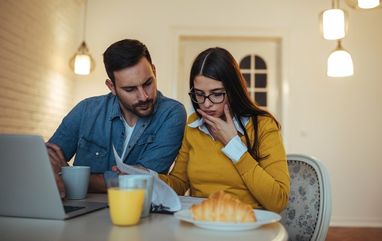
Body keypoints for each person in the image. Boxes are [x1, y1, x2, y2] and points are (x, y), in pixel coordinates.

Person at [47, 39, 186, 198]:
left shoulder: (172, 114)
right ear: (111, 87)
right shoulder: (86, 110)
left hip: (140, 212)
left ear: (154, 71)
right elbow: (46, 163)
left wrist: (71, 176)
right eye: (130, 89)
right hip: (81, 210)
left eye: (148, 83)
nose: (143, 96)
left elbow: (142, 181)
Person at [158, 47, 290, 213]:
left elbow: (278, 200)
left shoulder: (263, 126)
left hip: (246, 224)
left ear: (233, 90)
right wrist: (150, 179)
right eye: (199, 94)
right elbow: (179, 182)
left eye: (217, 94)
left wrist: (233, 144)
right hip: (202, 221)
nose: (206, 104)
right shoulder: (193, 125)